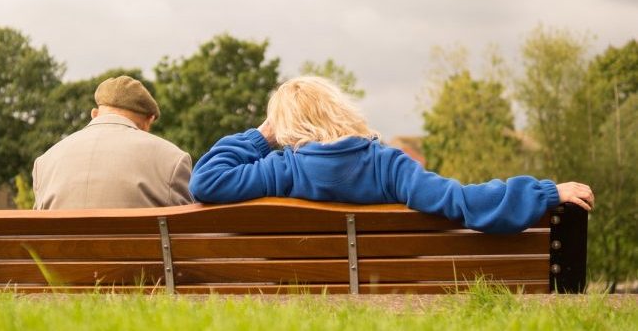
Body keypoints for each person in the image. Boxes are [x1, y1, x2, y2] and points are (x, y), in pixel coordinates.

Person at [189, 76, 594, 233]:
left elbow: (205, 181)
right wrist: (543, 193)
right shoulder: (388, 165)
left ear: (287, 126)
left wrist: (261, 136)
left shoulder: (279, 169)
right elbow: (460, 201)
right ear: (339, 110)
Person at [32, 75, 193, 209]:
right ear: (148, 120)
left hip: (58, 249)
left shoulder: (44, 162)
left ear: (94, 114)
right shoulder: (173, 159)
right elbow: (188, 234)